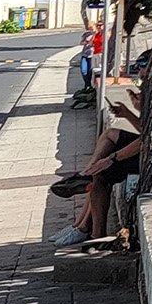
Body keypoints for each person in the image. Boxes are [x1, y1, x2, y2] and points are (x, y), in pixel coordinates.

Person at [52, 85, 142, 246]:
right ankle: (79, 224)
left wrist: (112, 158)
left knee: (99, 176)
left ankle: (92, 232)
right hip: (151, 146)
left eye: (143, 66)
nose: (141, 70)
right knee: (110, 134)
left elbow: (148, 138)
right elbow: (147, 130)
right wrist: (127, 113)